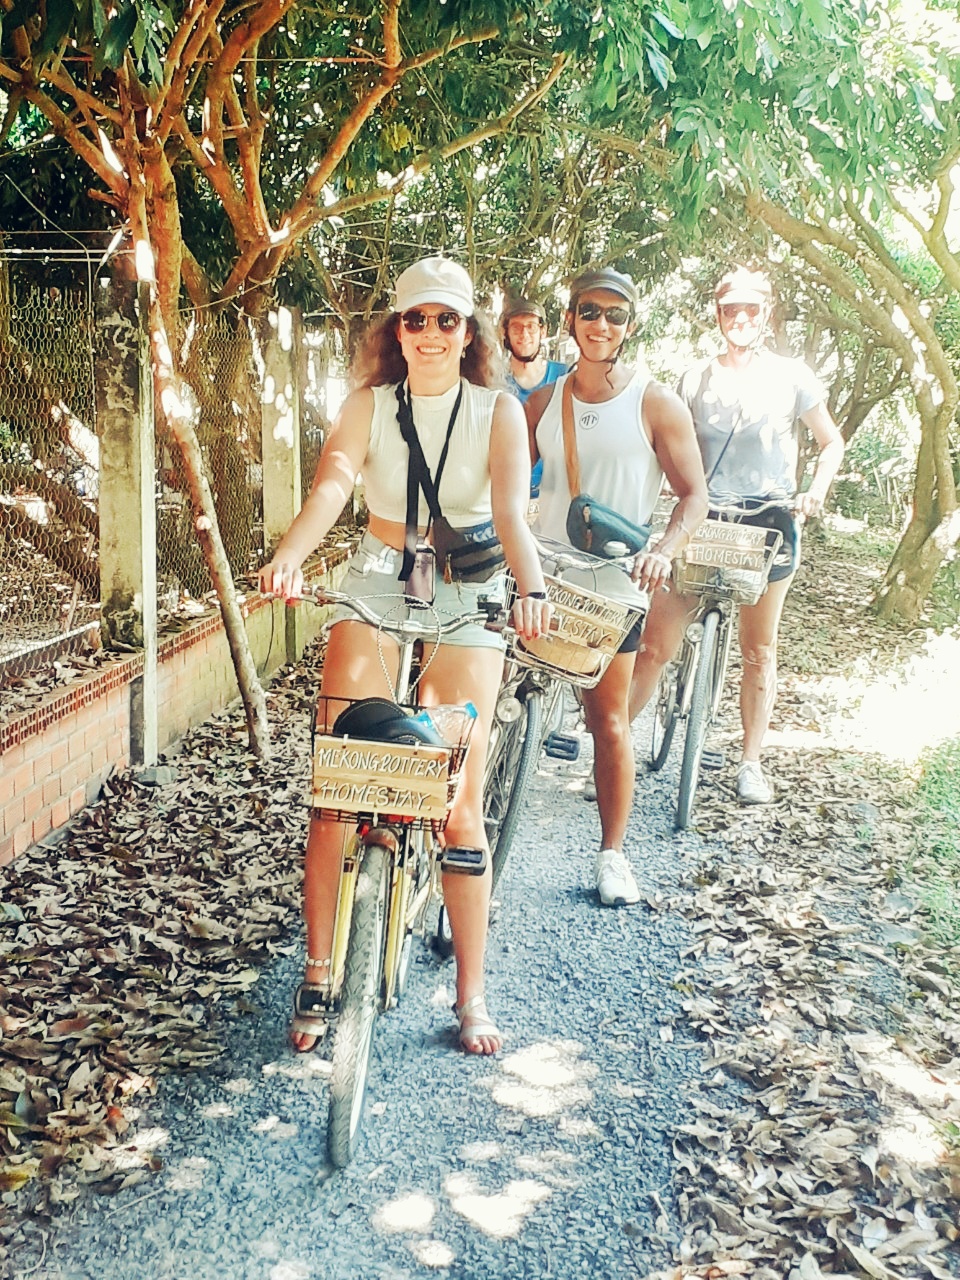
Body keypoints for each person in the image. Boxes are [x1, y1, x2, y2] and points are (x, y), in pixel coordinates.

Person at [259, 256, 552, 1056]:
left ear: (468, 334)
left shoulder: (499, 413)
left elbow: (512, 515)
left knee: (456, 794)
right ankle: (319, 970)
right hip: (378, 576)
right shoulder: (368, 405)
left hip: (469, 586)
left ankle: (470, 993)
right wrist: (290, 556)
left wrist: (531, 589)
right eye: (414, 319)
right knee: (338, 776)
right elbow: (332, 486)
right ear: (397, 330)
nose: (428, 333)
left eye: (445, 320)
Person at [526, 267, 708, 906]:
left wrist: (663, 550)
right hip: (540, 577)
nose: (600, 324)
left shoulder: (655, 402)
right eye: (589, 311)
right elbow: (503, 483)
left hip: (615, 582)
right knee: (499, 700)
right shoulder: (543, 403)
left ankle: (612, 855)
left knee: (607, 720)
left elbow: (694, 496)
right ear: (570, 318)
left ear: (631, 326)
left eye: (614, 314)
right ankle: (476, 836)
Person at [629, 266, 845, 804]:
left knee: (759, 649)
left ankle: (750, 762)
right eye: (731, 310)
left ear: (767, 314)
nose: (741, 319)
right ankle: (611, 753)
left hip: (769, 521)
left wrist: (814, 490)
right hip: (705, 518)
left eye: (752, 309)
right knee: (656, 643)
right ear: (718, 314)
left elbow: (830, 443)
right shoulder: (696, 379)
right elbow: (666, 443)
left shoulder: (793, 377)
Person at [501, 297, 567, 500]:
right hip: (506, 494)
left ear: (543, 331)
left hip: (556, 495)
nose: (524, 334)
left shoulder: (564, 378)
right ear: (505, 332)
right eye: (517, 327)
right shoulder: (493, 381)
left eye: (531, 326)